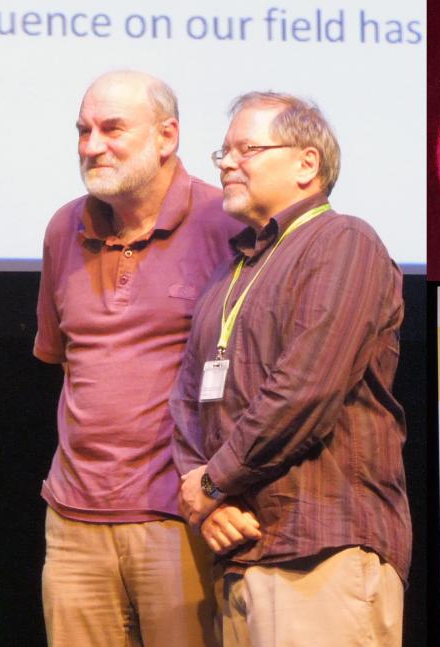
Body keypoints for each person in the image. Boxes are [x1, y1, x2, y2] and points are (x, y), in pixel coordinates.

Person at [171, 92, 412, 647]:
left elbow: (306, 389)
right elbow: (186, 401)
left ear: (308, 163)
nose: (228, 163)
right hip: (240, 552)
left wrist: (213, 481)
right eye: (223, 153)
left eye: (248, 149)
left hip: (321, 549)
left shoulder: (344, 241)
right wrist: (205, 501)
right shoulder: (232, 271)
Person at [34, 70, 237, 647]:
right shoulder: (62, 227)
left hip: (179, 515)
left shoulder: (225, 223)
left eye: (112, 129)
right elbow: (62, 358)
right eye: (83, 130)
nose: (91, 146)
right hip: (74, 519)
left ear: (167, 136)